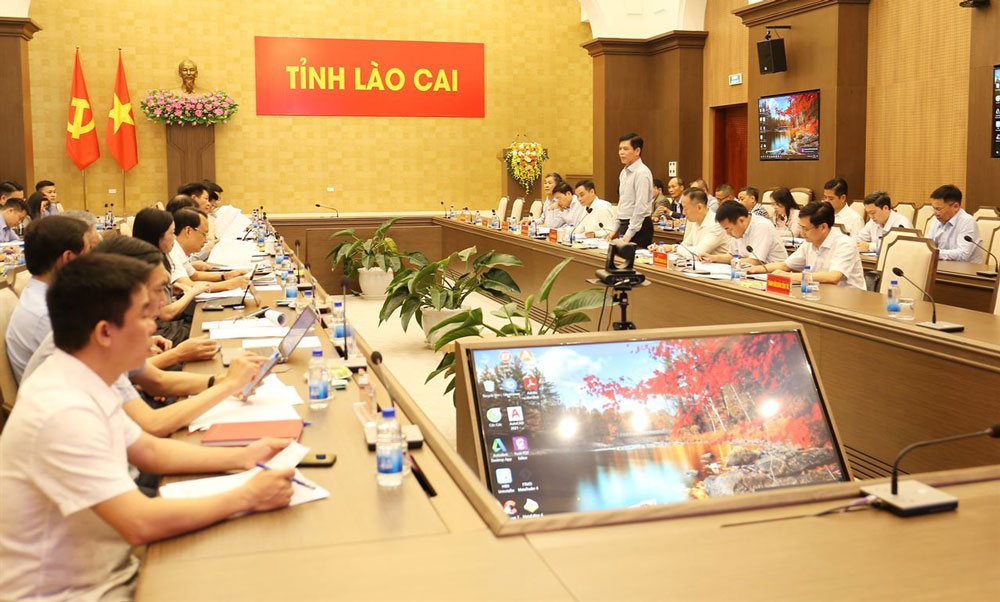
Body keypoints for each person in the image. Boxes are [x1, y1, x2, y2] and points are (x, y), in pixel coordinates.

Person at [0, 253, 294, 602]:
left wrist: (245, 455)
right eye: (142, 315)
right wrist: (246, 495)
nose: (154, 325)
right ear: (105, 332)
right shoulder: (61, 410)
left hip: (111, 568)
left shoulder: (85, 376)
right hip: (75, 592)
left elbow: (148, 450)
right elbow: (140, 523)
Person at [21, 236, 264, 437]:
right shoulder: (85, 348)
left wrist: (225, 381)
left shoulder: (103, 330)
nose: (163, 302)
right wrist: (227, 384)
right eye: (159, 290)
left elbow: (155, 384)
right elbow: (152, 426)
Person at [6, 215, 94, 382]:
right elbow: (87, 378)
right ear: (68, 258)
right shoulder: (46, 314)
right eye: (89, 250)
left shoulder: (53, 297)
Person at [747, 201, 866, 290]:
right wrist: (755, 269)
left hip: (849, 301)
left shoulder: (845, 243)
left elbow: (833, 277)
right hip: (819, 295)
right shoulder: (809, 243)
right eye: (801, 227)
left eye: (805, 229)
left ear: (823, 227)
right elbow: (785, 265)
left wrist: (790, 276)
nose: (802, 233)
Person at [169, 208, 249, 290]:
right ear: (188, 231)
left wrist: (225, 275)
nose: (206, 239)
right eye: (204, 234)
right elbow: (189, 285)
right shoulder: (172, 252)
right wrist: (229, 284)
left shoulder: (179, 249)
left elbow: (194, 276)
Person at [700, 200, 787, 265]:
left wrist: (734, 262)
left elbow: (755, 261)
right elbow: (732, 256)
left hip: (775, 276)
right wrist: (713, 258)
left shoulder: (762, 226)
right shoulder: (738, 231)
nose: (727, 233)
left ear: (741, 220)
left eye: (728, 229)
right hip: (752, 274)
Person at [655, 188, 728, 258]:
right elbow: (685, 245)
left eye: (686, 208)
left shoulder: (716, 224)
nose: (683, 212)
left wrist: (673, 248)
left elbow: (698, 252)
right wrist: (663, 248)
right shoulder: (695, 221)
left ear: (699, 207)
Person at [613, 132, 654, 247]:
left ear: (637, 151)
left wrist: (629, 234)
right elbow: (622, 203)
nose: (621, 152)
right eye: (620, 149)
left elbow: (640, 206)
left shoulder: (642, 173)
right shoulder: (624, 172)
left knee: (634, 263)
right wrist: (615, 229)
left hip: (639, 227)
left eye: (625, 149)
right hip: (625, 224)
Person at [925, 184, 982, 263]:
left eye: (938, 209)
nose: (935, 213)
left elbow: (963, 255)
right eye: (933, 208)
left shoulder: (967, 221)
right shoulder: (936, 221)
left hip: (967, 270)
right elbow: (928, 245)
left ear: (956, 206)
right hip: (943, 266)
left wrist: (935, 253)